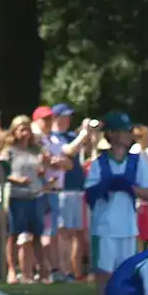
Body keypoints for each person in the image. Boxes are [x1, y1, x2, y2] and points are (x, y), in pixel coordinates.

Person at [82, 111, 148, 295]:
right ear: (112, 134)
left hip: (128, 227)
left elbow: (147, 192)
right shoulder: (99, 163)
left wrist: (129, 187)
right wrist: (106, 186)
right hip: (104, 228)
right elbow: (90, 194)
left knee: (125, 278)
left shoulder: (137, 161)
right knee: (103, 277)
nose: (128, 135)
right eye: (123, 131)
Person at [0, 113, 49, 284]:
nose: (25, 133)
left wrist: (42, 172)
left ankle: (43, 271)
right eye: (21, 129)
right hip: (17, 197)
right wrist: (16, 179)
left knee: (37, 235)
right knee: (14, 234)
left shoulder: (35, 150)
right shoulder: (9, 151)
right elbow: (3, 173)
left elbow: (41, 169)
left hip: (35, 195)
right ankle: (12, 270)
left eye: (27, 129)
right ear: (14, 131)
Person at [48, 103, 92, 280]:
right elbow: (69, 151)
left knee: (77, 232)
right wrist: (83, 134)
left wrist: (89, 134)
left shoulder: (71, 135)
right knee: (64, 232)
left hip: (78, 189)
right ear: (56, 117)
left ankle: (75, 272)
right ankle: (64, 270)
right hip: (63, 190)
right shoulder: (53, 138)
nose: (67, 119)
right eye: (64, 116)